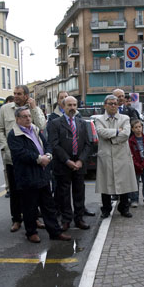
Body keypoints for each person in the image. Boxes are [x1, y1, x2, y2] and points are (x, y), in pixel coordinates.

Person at [7, 106, 72, 243]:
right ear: (17, 119)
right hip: (27, 176)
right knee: (29, 207)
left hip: (42, 174)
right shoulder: (14, 134)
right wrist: (39, 159)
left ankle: (55, 232)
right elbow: (20, 153)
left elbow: (47, 144)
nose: (28, 118)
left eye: (29, 116)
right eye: (24, 116)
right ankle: (31, 232)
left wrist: (48, 155)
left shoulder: (35, 129)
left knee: (48, 206)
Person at [0, 85, 47, 232]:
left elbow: (41, 125)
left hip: (32, 158)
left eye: (19, 94)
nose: (16, 96)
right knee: (15, 190)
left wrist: (34, 108)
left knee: (33, 190)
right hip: (12, 158)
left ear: (26, 95)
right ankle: (16, 219)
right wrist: (6, 147)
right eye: (14, 93)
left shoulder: (32, 109)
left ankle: (34, 218)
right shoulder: (6, 109)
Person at [46, 95, 91, 230]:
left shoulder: (82, 123)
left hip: (79, 164)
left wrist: (81, 160)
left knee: (79, 193)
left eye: (74, 105)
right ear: (63, 107)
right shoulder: (55, 123)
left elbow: (88, 144)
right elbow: (54, 144)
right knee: (64, 194)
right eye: (69, 105)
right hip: (63, 164)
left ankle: (79, 219)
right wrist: (67, 160)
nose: (72, 108)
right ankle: (66, 219)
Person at [95, 94, 138, 218]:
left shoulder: (124, 118)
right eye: (110, 103)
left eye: (115, 103)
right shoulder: (99, 119)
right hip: (106, 155)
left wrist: (112, 137)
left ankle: (124, 208)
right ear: (105, 105)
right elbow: (101, 133)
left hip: (122, 154)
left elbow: (126, 134)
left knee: (124, 183)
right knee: (105, 184)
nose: (113, 106)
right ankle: (106, 209)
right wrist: (117, 131)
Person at [128, 119, 144, 207]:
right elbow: (131, 155)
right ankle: (134, 200)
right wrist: (138, 165)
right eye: (136, 127)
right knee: (134, 183)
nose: (138, 129)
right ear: (132, 129)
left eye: (140, 127)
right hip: (135, 166)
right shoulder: (130, 141)